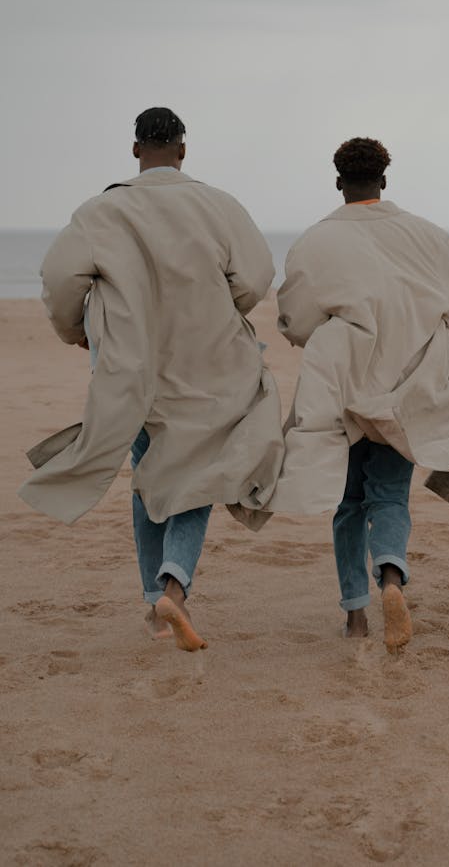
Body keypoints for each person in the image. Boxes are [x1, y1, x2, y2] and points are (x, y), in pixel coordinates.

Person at [266, 137, 449, 652]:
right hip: (410, 384)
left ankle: (355, 614)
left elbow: (295, 316)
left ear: (338, 182)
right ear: (385, 179)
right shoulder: (427, 235)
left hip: (346, 384)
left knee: (348, 501)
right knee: (389, 494)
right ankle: (393, 579)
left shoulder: (314, 241)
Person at [19, 108, 284, 650]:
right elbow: (256, 276)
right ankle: (175, 585)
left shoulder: (101, 211)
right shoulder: (219, 205)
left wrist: (77, 332)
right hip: (205, 364)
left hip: (130, 370)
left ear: (136, 150)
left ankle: (154, 598)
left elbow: (57, 278)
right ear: (183, 150)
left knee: (148, 475)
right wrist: (221, 308)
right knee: (198, 471)